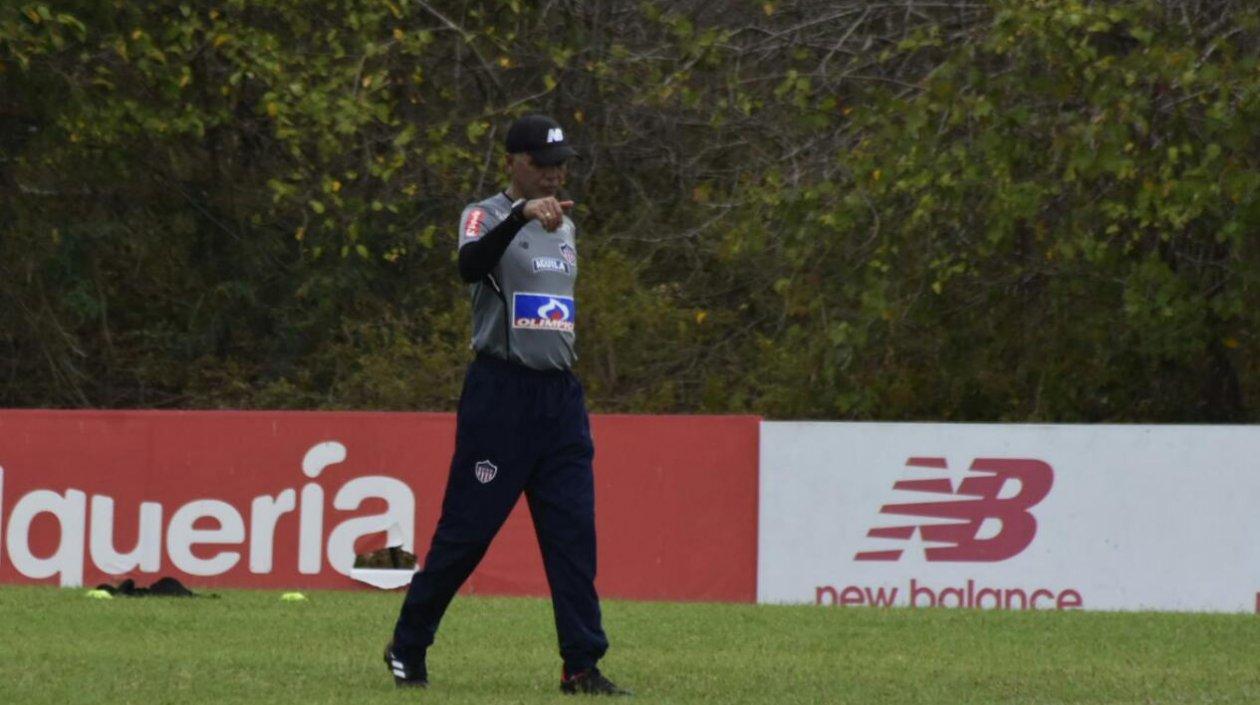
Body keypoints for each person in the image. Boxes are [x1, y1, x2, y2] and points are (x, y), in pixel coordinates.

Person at [385, 114, 629, 696]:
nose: (554, 175)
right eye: (542, 164)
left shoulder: (566, 227)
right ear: (514, 163)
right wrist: (518, 216)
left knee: (572, 538)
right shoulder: (484, 214)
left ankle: (581, 666)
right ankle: (408, 644)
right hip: (502, 395)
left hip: (560, 399)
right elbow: (469, 267)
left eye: (561, 165)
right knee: (467, 534)